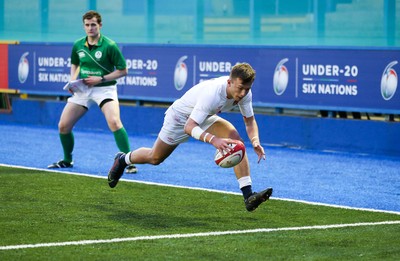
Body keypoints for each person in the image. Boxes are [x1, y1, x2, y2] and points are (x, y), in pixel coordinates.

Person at [108, 63, 272, 211]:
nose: (243, 93)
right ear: (229, 82)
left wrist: (255, 141)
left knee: (236, 142)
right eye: (240, 88)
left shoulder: (244, 93)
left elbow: (249, 122)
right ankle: (123, 160)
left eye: (247, 89)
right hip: (180, 119)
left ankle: (248, 196)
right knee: (155, 158)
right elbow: (189, 127)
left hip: (205, 117)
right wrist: (214, 140)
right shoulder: (213, 94)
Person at [48, 10, 137, 174]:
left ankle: (129, 162)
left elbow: (123, 71)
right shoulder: (78, 44)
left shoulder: (109, 45)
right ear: (84, 26)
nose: (90, 28)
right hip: (83, 89)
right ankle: (67, 160)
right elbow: (75, 63)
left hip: (105, 89)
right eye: (87, 25)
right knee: (63, 126)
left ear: (100, 25)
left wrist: (101, 79)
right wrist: (72, 81)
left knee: (114, 122)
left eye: (93, 25)